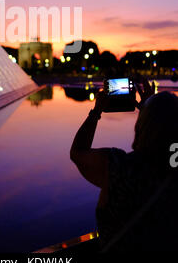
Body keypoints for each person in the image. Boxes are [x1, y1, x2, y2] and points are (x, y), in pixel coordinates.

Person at [70, 79, 178, 251]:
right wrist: (149, 110)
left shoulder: (119, 167)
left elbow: (78, 152)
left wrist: (96, 111)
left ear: (142, 124)